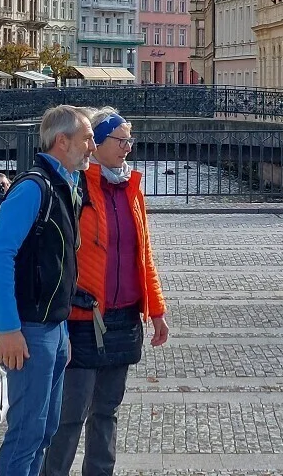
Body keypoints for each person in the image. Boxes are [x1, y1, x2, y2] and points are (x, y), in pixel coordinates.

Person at [43, 108, 168, 476]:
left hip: (124, 318)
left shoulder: (130, 189)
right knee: (69, 414)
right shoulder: (76, 187)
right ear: (95, 144)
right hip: (82, 319)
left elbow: (142, 255)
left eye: (130, 140)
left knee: (107, 412)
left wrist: (156, 310)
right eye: (121, 139)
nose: (128, 147)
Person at [0, 105, 94, 476]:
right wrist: (8, 328)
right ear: (62, 142)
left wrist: (62, 332)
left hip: (52, 329)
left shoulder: (63, 184)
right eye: (86, 139)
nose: (91, 146)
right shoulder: (35, 187)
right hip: (28, 329)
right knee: (26, 434)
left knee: (45, 431)